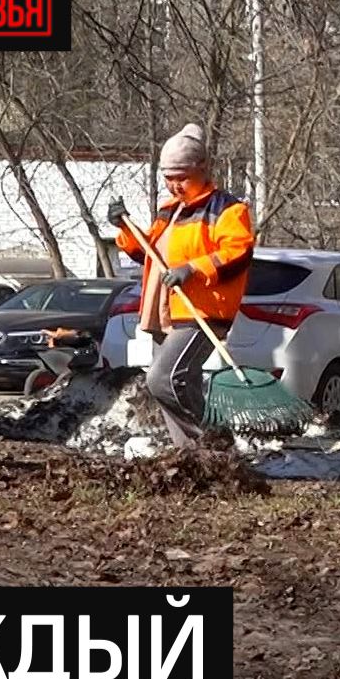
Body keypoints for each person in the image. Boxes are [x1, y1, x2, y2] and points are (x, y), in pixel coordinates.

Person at [108, 124, 255, 447]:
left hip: (201, 310)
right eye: (168, 178)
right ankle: (189, 454)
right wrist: (124, 228)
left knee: (162, 379)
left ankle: (214, 444)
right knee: (176, 385)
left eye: (182, 177)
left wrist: (192, 268)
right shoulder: (169, 210)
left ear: (202, 168)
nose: (174, 185)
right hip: (165, 309)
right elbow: (146, 252)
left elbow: (237, 253)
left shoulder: (227, 209)